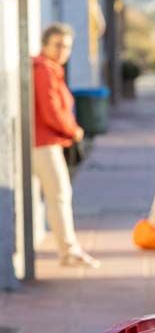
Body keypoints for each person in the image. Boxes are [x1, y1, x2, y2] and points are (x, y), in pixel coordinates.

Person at [32, 23, 99, 268]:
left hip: (49, 140)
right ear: (45, 45)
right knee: (59, 194)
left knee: (57, 195)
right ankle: (68, 252)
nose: (63, 51)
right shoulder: (44, 70)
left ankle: (68, 250)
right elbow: (51, 111)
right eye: (58, 45)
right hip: (44, 142)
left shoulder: (51, 69)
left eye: (67, 46)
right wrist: (74, 131)